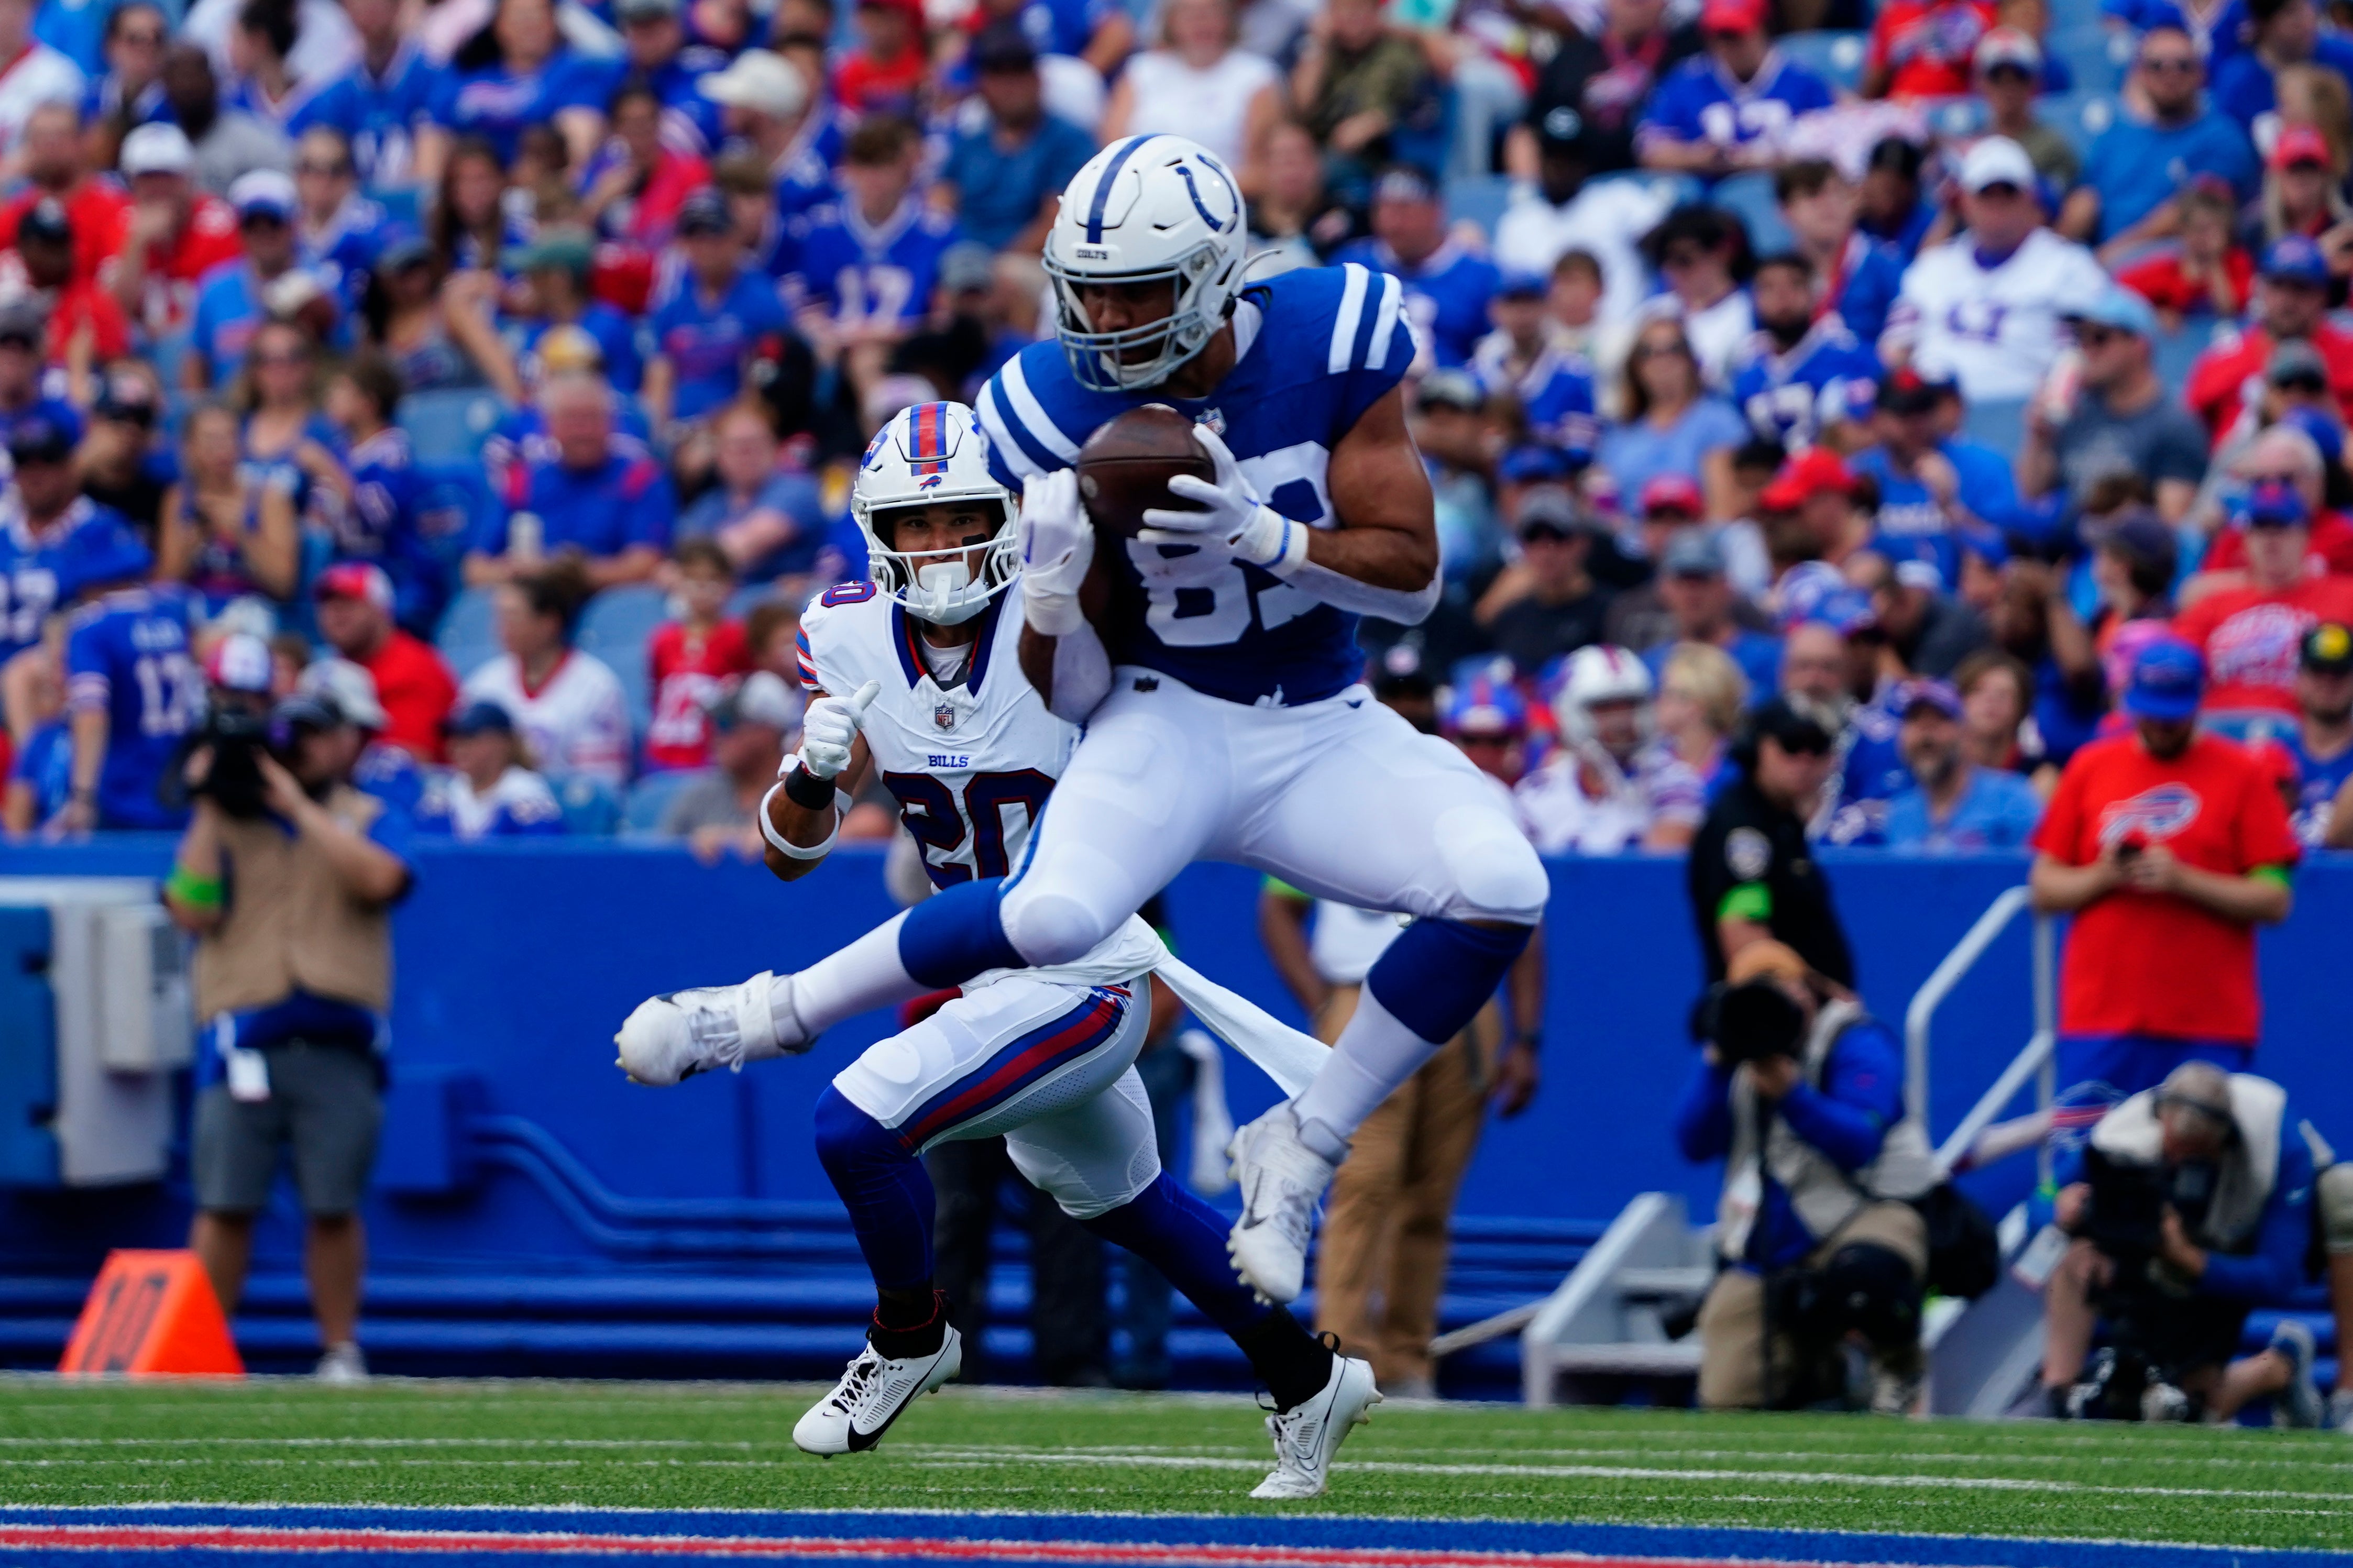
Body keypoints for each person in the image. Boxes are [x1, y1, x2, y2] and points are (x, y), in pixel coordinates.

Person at [619, 136, 1548, 1332]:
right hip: (1163, 714)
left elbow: (1413, 580)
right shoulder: (1039, 404)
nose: (1103, 317)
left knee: (1499, 883)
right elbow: (1063, 690)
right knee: (1052, 913)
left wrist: (1263, 538)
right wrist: (1054, 591)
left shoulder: (1331, 331)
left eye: (1136, 290)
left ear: (1218, 276)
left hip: (1319, 720)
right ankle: (765, 1009)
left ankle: (1301, 1139)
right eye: (1087, 287)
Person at [617, 400, 1378, 1492]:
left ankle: (911, 1332)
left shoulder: (1067, 619)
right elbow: (787, 855)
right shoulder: (841, 633)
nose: (938, 547)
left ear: (1004, 514)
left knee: (854, 1124)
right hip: (981, 971)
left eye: (960, 517)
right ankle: (1307, 1377)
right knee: (1131, 1207)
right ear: (878, 533)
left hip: (1080, 967)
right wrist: (815, 776)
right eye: (915, 526)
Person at [164, 685, 415, 1385]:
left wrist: (299, 808)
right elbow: (189, 909)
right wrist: (212, 800)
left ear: (341, 742)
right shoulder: (229, 823)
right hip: (244, 1033)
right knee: (224, 1200)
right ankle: (199, 1346)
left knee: (333, 1203)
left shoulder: (368, 815)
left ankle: (339, 1349)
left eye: (312, 734)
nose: (298, 748)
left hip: (337, 1035)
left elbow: (381, 880)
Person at [2029, 637, 2298, 1101]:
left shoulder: (2242, 773)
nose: (2159, 725)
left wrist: (2183, 880)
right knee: (2085, 1164)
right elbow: (2043, 885)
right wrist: (2104, 876)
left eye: (2172, 715)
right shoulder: (2090, 766)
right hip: (2101, 1013)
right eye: (2149, 712)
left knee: (2200, 1161)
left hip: (2207, 1019)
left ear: (2197, 704)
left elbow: (2274, 898)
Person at [1675, 940, 1933, 1412]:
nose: (1778, 1003)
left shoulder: (1856, 1041)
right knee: (1729, 1394)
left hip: (1862, 1211)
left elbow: (1859, 1142)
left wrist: (1794, 1095)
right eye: (1758, 993)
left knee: (1867, 1272)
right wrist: (1717, 1059)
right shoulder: (1738, 1049)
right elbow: (1692, 1142)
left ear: (1809, 987)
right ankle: (1824, 1372)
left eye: (1784, 987)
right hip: (1774, 1238)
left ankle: (1899, 1364)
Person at [2038, 1063, 2323, 1425]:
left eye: (2195, 1156)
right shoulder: (2121, 1134)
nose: (2178, 1165)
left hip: (2219, 1262)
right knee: (2076, 1257)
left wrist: (2187, 1256)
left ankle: (2278, 1367)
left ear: (2224, 1142)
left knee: (2195, 1414)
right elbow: (2040, 1202)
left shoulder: (2276, 1147)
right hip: (2139, 1266)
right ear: (2161, 1122)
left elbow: (2281, 1276)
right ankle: (2056, 1392)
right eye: (2173, 1150)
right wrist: (2059, 1211)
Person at [1882, 137, 2106, 404]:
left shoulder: (2069, 265)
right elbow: (1894, 350)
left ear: (2029, 198)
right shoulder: (1933, 268)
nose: (1997, 205)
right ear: (1964, 201)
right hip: (1932, 417)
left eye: (2008, 193)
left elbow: (2084, 354)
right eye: (1986, 194)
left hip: (2025, 409)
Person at [1689, 692, 1852, 985]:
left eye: (1818, 747)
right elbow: (1745, 933)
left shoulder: (1781, 820)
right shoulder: (1743, 827)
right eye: (1791, 745)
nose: (1805, 760)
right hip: (1772, 1019)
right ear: (1757, 748)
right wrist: (1822, 995)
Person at [792, 117, 960, 400]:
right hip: (836, 347)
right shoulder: (823, 228)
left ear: (904, 169)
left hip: (910, 347)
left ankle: (885, 437)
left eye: (883, 166)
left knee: (867, 359)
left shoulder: (936, 231)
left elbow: (945, 319)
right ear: (849, 170)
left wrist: (874, 335)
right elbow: (808, 305)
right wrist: (825, 334)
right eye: (864, 166)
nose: (874, 179)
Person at [2057, 26, 2258, 262]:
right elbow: (2087, 199)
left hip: (2177, 262)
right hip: (2106, 262)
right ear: (2140, 74)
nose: (2170, 74)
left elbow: (2191, 214)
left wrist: (2109, 255)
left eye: (2183, 66)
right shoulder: (2117, 136)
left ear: (2201, 74)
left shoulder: (2223, 137)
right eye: (2157, 66)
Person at [2016, 284, 2206, 525]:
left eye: (2099, 338)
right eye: (2079, 338)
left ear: (2139, 345)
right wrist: (2039, 436)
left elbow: (2171, 525)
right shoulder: (2078, 410)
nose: (2087, 350)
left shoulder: (2174, 424)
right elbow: (2032, 492)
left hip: (2124, 554)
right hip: (2073, 545)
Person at [467, 376, 674, 589]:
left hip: (606, 602)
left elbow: (645, 565)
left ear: (612, 423)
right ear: (549, 425)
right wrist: (516, 572)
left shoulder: (641, 478)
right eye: (572, 419)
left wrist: (568, 575)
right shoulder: (520, 481)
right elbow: (476, 569)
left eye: (592, 418)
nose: (583, 431)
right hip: (534, 601)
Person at [2173, 481, 2353, 721]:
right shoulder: (2212, 603)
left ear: (2305, 535)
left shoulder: (2345, 596)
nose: (2270, 541)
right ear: (2245, 538)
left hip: (2306, 730)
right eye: (2260, 528)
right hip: (2221, 728)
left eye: (2281, 528)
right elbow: (2176, 668)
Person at [1515, 643, 1705, 854]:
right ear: (1572, 714)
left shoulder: (1675, 782)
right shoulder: (1538, 792)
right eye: (1604, 709)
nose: (1621, 723)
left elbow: (1655, 870)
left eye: (1629, 706)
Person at [459, 560, 632, 787]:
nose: (501, 628)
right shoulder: (483, 684)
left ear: (549, 623)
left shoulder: (596, 686)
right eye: (499, 617)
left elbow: (596, 791)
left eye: (512, 617)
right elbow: (464, 775)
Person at [937, 27, 1096, 257]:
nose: (1009, 87)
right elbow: (940, 203)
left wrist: (996, 265)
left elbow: (1058, 221)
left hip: (1037, 264)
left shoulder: (1070, 141)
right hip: (964, 262)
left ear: (1038, 79)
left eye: (1019, 73)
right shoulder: (970, 142)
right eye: (998, 75)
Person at [645, 191, 793, 435]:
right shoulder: (673, 300)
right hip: (677, 432)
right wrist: (656, 436)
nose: (706, 248)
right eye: (696, 238)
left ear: (735, 237)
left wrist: (709, 431)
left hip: (736, 432)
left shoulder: (763, 302)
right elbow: (659, 377)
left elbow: (762, 392)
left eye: (715, 236)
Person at [2184, 237, 2353, 444]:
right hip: (2239, 470)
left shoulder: (2349, 355)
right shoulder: (2222, 361)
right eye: (2278, 285)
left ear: (2323, 295)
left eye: (2301, 288)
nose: (2287, 300)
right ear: (2261, 288)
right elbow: (2187, 447)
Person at [1635, 0, 1832, 178]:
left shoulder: (1800, 78)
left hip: (1786, 193)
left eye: (1734, 35)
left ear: (1761, 28)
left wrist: (1776, 158)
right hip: (1711, 201)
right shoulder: (1686, 79)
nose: (1725, 45)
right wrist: (1699, 157)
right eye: (1717, 35)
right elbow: (1650, 150)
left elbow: (1833, 147)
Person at [1332, 167, 1500, 373]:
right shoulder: (1352, 266)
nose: (1393, 222)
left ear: (1436, 210)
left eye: (1404, 209)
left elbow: (1495, 356)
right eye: (1384, 209)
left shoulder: (1481, 275)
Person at [417, 0, 609, 179]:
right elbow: (434, 134)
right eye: (520, 17)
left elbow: (578, 151)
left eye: (537, 16)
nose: (529, 26)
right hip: (470, 191)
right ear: (498, 25)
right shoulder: (467, 76)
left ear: (554, 23)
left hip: (541, 189)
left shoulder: (574, 74)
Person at [1097, 0, 1280, 183]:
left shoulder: (1257, 77)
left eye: (1211, 12)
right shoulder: (1141, 70)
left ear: (1229, 18)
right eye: (1189, 13)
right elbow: (1113, 150)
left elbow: (1262, 172)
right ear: (1170, 21)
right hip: (1139, 190)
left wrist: (1189, 187)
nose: (1200, 22)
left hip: (1222, 198)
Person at [156, 402, 300, 616]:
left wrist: (242, 534)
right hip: (193, 611)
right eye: (211, 440)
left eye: (230, 437)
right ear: (190, 448)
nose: (223, 448)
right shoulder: (178, 498)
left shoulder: (270, 499)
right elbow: (165, 586)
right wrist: (193, 542)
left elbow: (284, 585)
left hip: (251, 613)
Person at [1730, 251, 1880, 456]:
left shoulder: (1851, 358)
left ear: (1814, 294)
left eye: (1795, 285)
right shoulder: (1746, 370)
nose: (1783, 297)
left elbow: (1871, 437)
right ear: (1754, 299)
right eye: (1769, 288)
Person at [1596, 319, 1746, 517]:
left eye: (1673, 349)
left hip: (1697, 539)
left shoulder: (1717, 420)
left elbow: (1723, 509)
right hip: (1629, 541)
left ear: (1690, 359)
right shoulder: (1620, 432)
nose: (1662, 360)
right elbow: (1604, 504)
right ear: (1635, 366)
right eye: (1648, 352)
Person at [110, 123, 244, 343]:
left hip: (203, 345)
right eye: (148, 177)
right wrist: (137, 244)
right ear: (131, 183)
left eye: (169, 176)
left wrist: (174, 330)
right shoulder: (121, 222)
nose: (159, 187)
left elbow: (230, 310)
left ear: (189, 178)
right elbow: (114, 312)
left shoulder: (220, 226)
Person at [281, 0, 436, 190]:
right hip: (351, 209)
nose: (369, 6)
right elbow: (285, 135)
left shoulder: (430, 77)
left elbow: (428, 185)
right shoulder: (335, 90)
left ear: (399, 5)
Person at [188, 170, 319, 392]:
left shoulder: (318, 285)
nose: (263, 234)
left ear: (292, 226)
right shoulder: (215, 289)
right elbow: (196, 366)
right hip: (230, 416)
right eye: (252, 226)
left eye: (273, 224)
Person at [1290, 0, 1436, 197]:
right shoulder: (1325, 51)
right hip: (1320, 146)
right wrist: (1319, 44)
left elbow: (1422, 109)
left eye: (1360, 10)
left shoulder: (1396, 52)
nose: (1352, 19)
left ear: (1377, 13)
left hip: (1376, 155)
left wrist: (1380, 120)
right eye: (1343, 11)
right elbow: (1302, 106)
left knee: (1309, 174)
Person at [313, 562, 455, 765]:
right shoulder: (328, 670)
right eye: (327, 603)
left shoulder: (412, 667)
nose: (336, 612)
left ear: (381, 609)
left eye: (348, 603)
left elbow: (408, 765)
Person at [650, 669, 799, 861]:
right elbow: (660, 865)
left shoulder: (805, 789)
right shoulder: (699, 796)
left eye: (726, 723)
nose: (716, 736)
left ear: (766, 732)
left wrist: (731, 840)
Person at [1879, 677, 2041, 850]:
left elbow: (2037, 870)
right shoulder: (1899, 815)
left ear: (1966, 734)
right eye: (1914, 721)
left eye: (1938, 722)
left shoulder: (2013, 798)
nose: (1926, 733)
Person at [1478, 489, 1614, 674]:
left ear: (1582, 543)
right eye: (1534, 539)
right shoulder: (1510, 619)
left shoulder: (1610, 612)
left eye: (1558, 537)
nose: (1546, 553)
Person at [646, 538, 753, 772]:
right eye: (693, 579)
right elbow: (656, 694)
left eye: (712, 580)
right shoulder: (663, 639)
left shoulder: (738, 637)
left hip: (710, 757)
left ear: (730, 586)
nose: (702, 589)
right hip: (664, 754)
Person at [1775, 160, 1906, 352]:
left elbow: (1901, 347)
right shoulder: (1775, 277)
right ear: (1785, 212)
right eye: (1813, 195)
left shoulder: (1888, 265)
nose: (1827, 205)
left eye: (1836, 193)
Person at [0, 102, 130, 290]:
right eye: (40, 138)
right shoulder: (16, 208)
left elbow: (116, 291)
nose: (50, 147)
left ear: (82, 142)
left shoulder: (114, 208)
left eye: (60, 137)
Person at [413, 699, 566, 840]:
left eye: (469, 738)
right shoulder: (445, 797)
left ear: (502, 743)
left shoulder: (526, 793)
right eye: (453, 739)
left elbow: (544, 859)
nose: (457, 748)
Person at [2212, 0, 2353, 129]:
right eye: (2291, 13)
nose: (2306, 21)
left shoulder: (2345, 57)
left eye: (2309, 8)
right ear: (2263, 23)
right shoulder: (2236, 82)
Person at [2277, 622, 2353, 846]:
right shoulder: (2271, 757)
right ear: (2298, 678)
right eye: (2318, 670)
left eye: (2340, 673)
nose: (2328, 682)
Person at [1972, 27, 2076, 189]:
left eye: (2019, 78)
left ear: (2035, 84)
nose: (2008, 88)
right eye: (1997, 78)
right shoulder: (1973, 144)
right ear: (1981, 83)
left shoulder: (2052, 146)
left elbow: (2058, 202)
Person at [1657, 639, 1749, 787]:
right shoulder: (1650, 765)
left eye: (1667, 692)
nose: (1659, 701)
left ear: (1695, 706)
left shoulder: (1739, 767)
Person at [1863, 0, 1995, 100]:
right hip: (1903, 108)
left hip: (1957, 110)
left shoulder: (1980, 14)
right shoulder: (1896, 13)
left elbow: (1992, 75)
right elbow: (1876, 80)